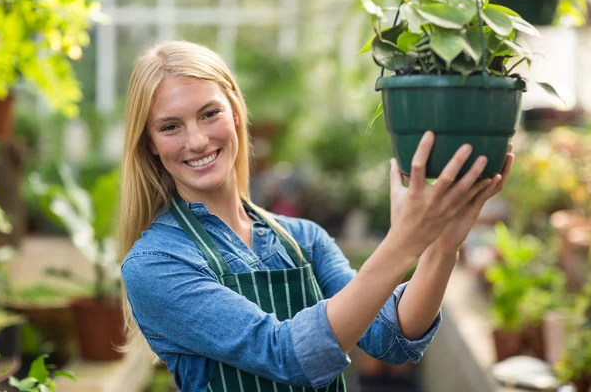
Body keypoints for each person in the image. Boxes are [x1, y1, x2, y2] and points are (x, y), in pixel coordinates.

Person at [118, 40, 514, 392]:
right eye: (170, 126)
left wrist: (442, 248)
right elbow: (284, 355)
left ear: (235, 111)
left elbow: (391, 337)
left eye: (209, 114)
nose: (197, 140)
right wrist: (403, 241)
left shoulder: (302, 238)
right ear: (150, 145)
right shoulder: (157, 263)